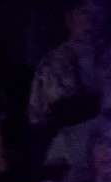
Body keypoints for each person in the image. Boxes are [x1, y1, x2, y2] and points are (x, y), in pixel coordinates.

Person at [31, 1, 111, 129]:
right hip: (66, 136)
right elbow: (39, 116)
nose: (91, 20)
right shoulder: (52, 62)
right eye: (84, 12)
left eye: (99, 13)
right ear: (69, 18)